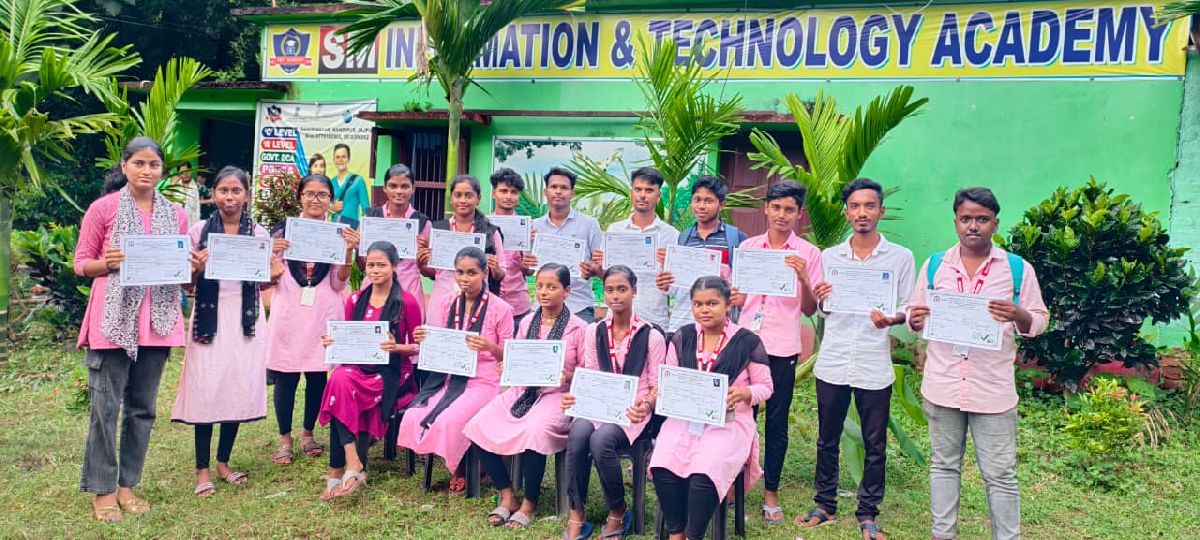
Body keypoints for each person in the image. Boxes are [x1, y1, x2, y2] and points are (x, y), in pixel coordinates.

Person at [907, 187, 1048, 540]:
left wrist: (1018, 314)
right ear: (955, 222)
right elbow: (914, 311)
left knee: (1000, 474)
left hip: (992, 389)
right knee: (943, 466)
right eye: (966, 218)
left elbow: (1039, 320)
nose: (974, 226)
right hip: (943, 384)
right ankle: (943, 535)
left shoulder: (1017, 269)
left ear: (995, 224)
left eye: (982, 219)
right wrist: (915, 319)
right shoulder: (935, 265)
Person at [73, 136, 189, 522]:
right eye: (139, 163)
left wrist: (192, 266)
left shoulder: (176, 214)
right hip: (112, 321)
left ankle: (127, 486)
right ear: (124, 166)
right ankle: (103, 490)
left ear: (162, 170)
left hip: (157, 322)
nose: (146, 171)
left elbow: (180, 271)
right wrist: (108, 263)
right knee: (105, 409)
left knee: (142, 410)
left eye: (154, 165)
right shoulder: (103, 209)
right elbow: (81, 264)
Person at [798, 179, 915, 539]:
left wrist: (892, 319)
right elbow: (822, 308)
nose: (862, 213)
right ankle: (824, 504)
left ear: (881, 211)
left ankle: (867, 512)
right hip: (834, 360)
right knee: (827, 438)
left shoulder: (900, 257)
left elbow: (908, 306)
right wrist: (820, 295)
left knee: (875, 443)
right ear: (847, 212)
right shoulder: (830, 257)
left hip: (873, 362)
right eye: (855, 206)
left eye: (869, 206)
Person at [170, 166, 270, 498]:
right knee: (207, 387)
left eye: (236, 191)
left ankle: (223, 463)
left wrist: (275, 270)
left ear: (247, 194)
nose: (229, 197)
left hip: (246, 319)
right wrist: (196, 268)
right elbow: (186, 284)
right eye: (223, 190)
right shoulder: (198, 231)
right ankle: (202, 470)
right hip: (208, 317)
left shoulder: (258, 233)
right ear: (213, 194)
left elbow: (265, 281)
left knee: (235, 386)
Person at [463, 263, 586, 528]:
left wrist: (568, 376)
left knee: (534, 431)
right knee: (477, 425)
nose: (544, 292)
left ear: (566, 291)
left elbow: (588, 373)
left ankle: (530, 503)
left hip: (558, 395)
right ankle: (507, 494)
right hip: (523, 390)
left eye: (552, 287)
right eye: (540, 286)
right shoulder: (528, 322)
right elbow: (518, 358)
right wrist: (508, 366)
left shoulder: (579, 328)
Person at [652, 276, 774, 540]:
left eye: (712, 303)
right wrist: (662, 390)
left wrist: (744, 393)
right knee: (662, 462)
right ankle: (676, 532)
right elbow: (669, 377)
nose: (704, 310)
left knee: (706, 469)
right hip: (685, 418)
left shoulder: (747, 341)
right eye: (698, 304)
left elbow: (766, 387)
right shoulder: (683, 336)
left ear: (728, 304)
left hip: (729, 422)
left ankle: (695, 535)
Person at [730, 179, 822, 524]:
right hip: (747, 343)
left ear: (799, 214)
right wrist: (735, 297)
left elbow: (810, 309)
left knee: (777, 422)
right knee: (742, 417)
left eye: (790, 209)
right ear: (766, 208)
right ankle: (735, 484)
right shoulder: (749, 248)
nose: (782, 215)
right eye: (777, 207)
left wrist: (804, 279)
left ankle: (771, 492)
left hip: (782, 347)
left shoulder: (808, 254)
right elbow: (740, 298)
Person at [561, 266, 666, 540]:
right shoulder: (594, 331)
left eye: (622, 289)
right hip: (600, 404)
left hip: (634, 410)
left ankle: (618, 509)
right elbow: (592, 374)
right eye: (609, 290)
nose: (615, 296)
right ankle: (576, 510)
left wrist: (647, 404)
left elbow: (657, 384)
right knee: (578, 433)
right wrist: (578, 398)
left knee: (601, 441)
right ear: (604, 294)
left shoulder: (652, 335)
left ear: (634, 291)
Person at [264, 173, 361, 465]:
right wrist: (272, 255)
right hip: (289, 310)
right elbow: (268, 277)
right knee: (286, 374)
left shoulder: (338, 234)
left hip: (322, 310)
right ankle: (285, 438)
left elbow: (339, 283)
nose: (315, 200)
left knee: (318, 373)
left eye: (322, 195)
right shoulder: (282, 232)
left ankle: (307, 433)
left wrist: (347, 252)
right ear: (300, 198)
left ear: (331, 200)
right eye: (309, 194)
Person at [400, 247, 515, 493]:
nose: (465, 278)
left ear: (485, 273)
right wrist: (424, 339)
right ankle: (452, 460)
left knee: (450, 419)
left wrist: (489, 346)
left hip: (484, 379)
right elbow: (442, 343)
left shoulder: (501, 308)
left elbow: (510, 357)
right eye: (460, 272)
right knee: (414, 414)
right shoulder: (447, 302)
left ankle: (462, 467)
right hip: (450, 376)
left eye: (472, 273)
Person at [318, 241, 422, 500]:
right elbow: (350, 338)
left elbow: (418, 348)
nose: (375, 270)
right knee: (339, 380)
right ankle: (352, 461)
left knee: (343, 387)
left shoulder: (407, 302)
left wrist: (396, 347)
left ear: (394, 266)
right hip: (357, 366)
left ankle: (337, 470)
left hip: (392, 370)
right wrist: (333, 343)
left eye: (382, 265)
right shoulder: (355, 299)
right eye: (371, 265)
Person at [655, 175, 748, 334]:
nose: (701, 206)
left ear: (721, 205)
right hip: (683, 324)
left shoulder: (737, 239)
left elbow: (745, 288)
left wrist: (726, 283)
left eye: (708, 201)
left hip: (721, 328)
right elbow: (676, 289)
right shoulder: (682, 239)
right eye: (697, 200)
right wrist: (665, 281)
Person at [591, 167, 679, 329]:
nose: (643, 195)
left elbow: (676, 285)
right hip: (617, 319)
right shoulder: (615, 230)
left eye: (649, 190)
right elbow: (605, 276)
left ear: (658, 195)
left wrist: (667, 267)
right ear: (631, 193)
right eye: (638, 189)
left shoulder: (671, 235)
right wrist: (598, 266)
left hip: (654, 319)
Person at [418, 174, 507, 332]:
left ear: (478, 199)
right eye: (458, 195)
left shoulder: (490, 232)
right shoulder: (439, 230)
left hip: (477, 302)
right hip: (441, 299)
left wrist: (496, 269)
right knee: (439, 341)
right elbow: (433, 273)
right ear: (451, 199)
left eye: (469, 195)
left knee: (473, 343)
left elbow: (501, 273)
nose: (463, 200)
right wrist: (421, 264)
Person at [524, 167, 603, 322]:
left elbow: (600, 266)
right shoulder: (534, 227)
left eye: (564, 188)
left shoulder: (590, 225)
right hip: (543, 308)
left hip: (579, 306)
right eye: (553, 187)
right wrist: (525, 264)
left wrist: (591, 269)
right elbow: (527, 270)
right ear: (545, 192)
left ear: (572, 194)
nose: (558, 192)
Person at [361, 164, 432, 317]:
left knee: (408, 331)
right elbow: (362, 265)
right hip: (374, 288)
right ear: (385, 188)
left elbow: (428, 271)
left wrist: (424, 256)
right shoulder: (371, 219)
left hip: (408, 289)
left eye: (405, 186)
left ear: (413, 188)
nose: (399, 191)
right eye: (393, 186)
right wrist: (356, 246)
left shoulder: (422, 223)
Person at [489, 167, 534, 323]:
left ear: (518, 196)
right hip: (489, 305)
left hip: (519, 306)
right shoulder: (482, 226)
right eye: (503, 191)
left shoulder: (528, 228)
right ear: (493, 193)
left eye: (514, 192)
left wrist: (526, 262)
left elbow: (529, 271)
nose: (508, 196)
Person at [329, 144, 370, 222]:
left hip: (351, 227)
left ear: (348, 159)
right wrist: (331, 208)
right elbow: (324, 209)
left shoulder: (358, 180)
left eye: (343, 157)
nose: (340, 160)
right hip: (334, 226)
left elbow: (366, 209)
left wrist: (359, 227)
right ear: (333, 160)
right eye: (337, 157)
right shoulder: (331, 182)